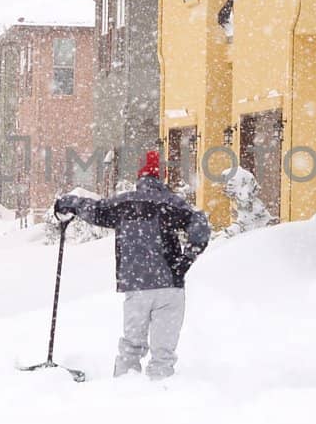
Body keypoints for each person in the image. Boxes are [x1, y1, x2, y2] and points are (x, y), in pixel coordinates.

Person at [54, 150, 211, 380]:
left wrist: (69, 203)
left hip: (136, 287)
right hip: (170, 285)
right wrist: (185, 260)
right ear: (161, 177)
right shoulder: (172, 203)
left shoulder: (124, 203)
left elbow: (95, 210)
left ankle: (124, 391)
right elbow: (200, 225)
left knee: (131, 346)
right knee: (163, 352)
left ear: (140, 177)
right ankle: (162, 391)